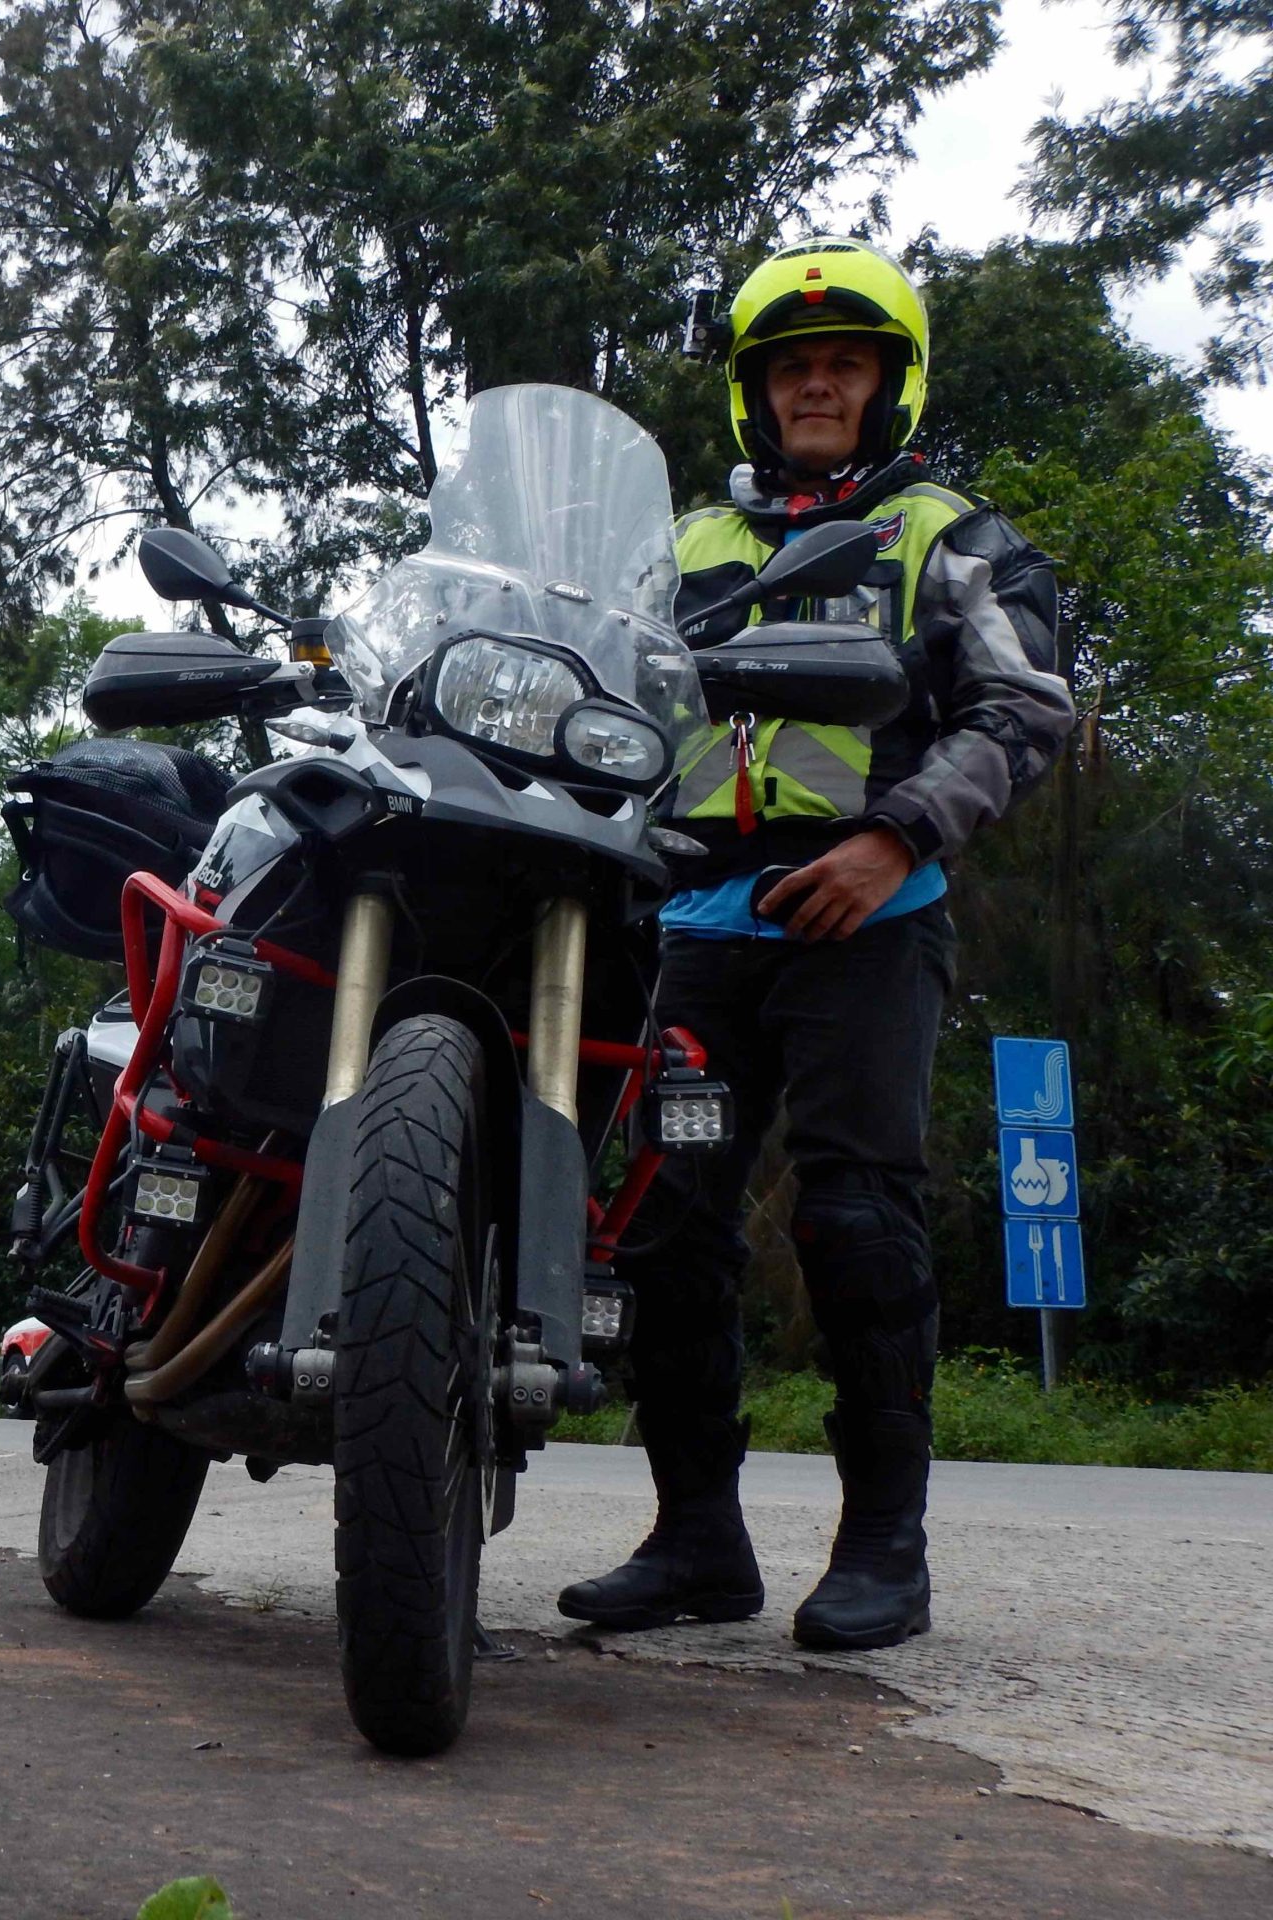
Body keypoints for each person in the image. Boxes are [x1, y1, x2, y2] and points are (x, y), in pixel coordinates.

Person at [558, 238, 1075, 1650]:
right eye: (793, 365)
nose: (818, 383)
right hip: (700, 924)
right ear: (756, 392)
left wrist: (896, 835)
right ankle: (696, 1542)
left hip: (868, 917)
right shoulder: (683, 551)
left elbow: (1027, 711)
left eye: (845, 360)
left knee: (856, 1217)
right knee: (666, 1231)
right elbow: (593, 697)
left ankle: (884, 1550)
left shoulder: (950, 538)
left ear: (891, 382)